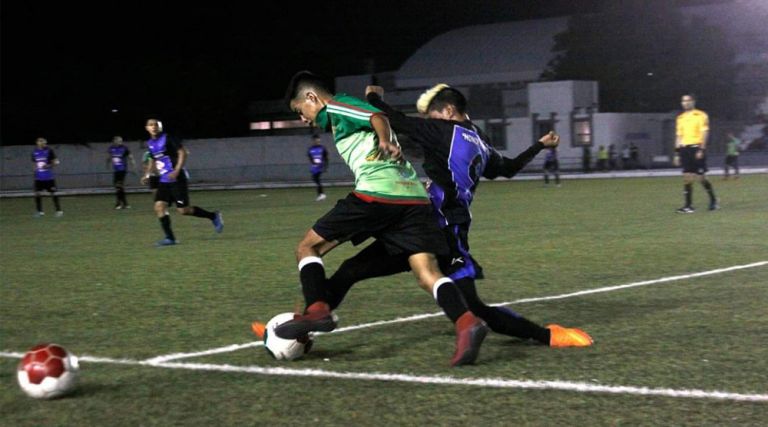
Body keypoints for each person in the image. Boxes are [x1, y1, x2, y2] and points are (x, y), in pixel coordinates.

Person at [315, 83, 590, 349]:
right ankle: (548, 336)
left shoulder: (445, 131)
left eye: (432, 116)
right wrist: (539, 145)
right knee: (354, 271)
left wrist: (373, 97)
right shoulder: (481, 141)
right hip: (444, 228)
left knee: (352, 270)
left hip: (434, 227)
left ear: (447, 111)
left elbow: (395, 120)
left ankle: (546, 336)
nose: (429, 122)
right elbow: (507, 168)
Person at [274, 71, 488, 367]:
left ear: (312, 98)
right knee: (426, 273)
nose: (303, 119)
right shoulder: (338, 118)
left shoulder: (337, 107)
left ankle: (317, 310)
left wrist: (385, 140)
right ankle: (467, 324)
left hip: (379, 194)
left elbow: (377, 117)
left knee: (308, 248)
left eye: (301, 111)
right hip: (414, 201)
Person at [142, 118, 223, 245]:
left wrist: (176, 170)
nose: (154, 127)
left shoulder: (168, 138)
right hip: (164, 180)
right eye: (151, 125)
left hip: (177, 178)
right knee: (159, 207)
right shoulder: (150, 143)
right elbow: (153, 160)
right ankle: (170, 238)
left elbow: (183, 152)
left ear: (161, 127)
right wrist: (147, 174)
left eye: (156, 125)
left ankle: (213, 216)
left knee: (183, 210)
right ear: (147, 128)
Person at [673, 94, 718, 213]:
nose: (685, 103)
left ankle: (713, 200)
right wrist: (677, 153)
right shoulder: (680, 118)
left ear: (693, 102)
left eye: (688, 100)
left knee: (701, 178)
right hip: (685, 150)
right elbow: (679, 136)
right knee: (687, 177)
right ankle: (688, 206)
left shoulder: (701, 115)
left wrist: (701, 149)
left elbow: (704, 133)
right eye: (683, 101)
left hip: (696, 148)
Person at [31, 137, 63, 217]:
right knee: (37, 194)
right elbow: (35, 164)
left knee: (53, 193)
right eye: (41, 142)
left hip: (49, 177)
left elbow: (57, 162)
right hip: (39, 178)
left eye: (44, 142)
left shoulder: (49, 151)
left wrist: (48, 165)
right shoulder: (34, 152)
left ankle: (59, 211)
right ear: (37, 143)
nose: (43, 144)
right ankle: (40, 212)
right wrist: (35, 172)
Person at [107, 136, 136, 209]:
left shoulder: (124, 148)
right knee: (119, 187)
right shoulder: (111, 148)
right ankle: (125, 204)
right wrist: (107, 164)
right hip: (116, 170)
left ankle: (118, 204)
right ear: (114, 141)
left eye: (121, 141)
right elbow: (109, 157)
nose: (120, 142)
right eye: (119, 141)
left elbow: (131, 157)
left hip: (122, 170)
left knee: (118, 186)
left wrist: (133, 167)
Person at [307, 134, 329, 201]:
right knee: (315, 179)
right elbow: (310, 158)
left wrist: (325, 166)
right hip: (314, 167)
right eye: (315, 139)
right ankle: (321, 194)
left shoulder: (322, 148)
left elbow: (326, 158)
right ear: (313, 140)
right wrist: (313, 163)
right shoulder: (311, 149)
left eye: (318, 139)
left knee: (316, 179)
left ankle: (321, 194)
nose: (317, 140)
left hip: (320, 167)